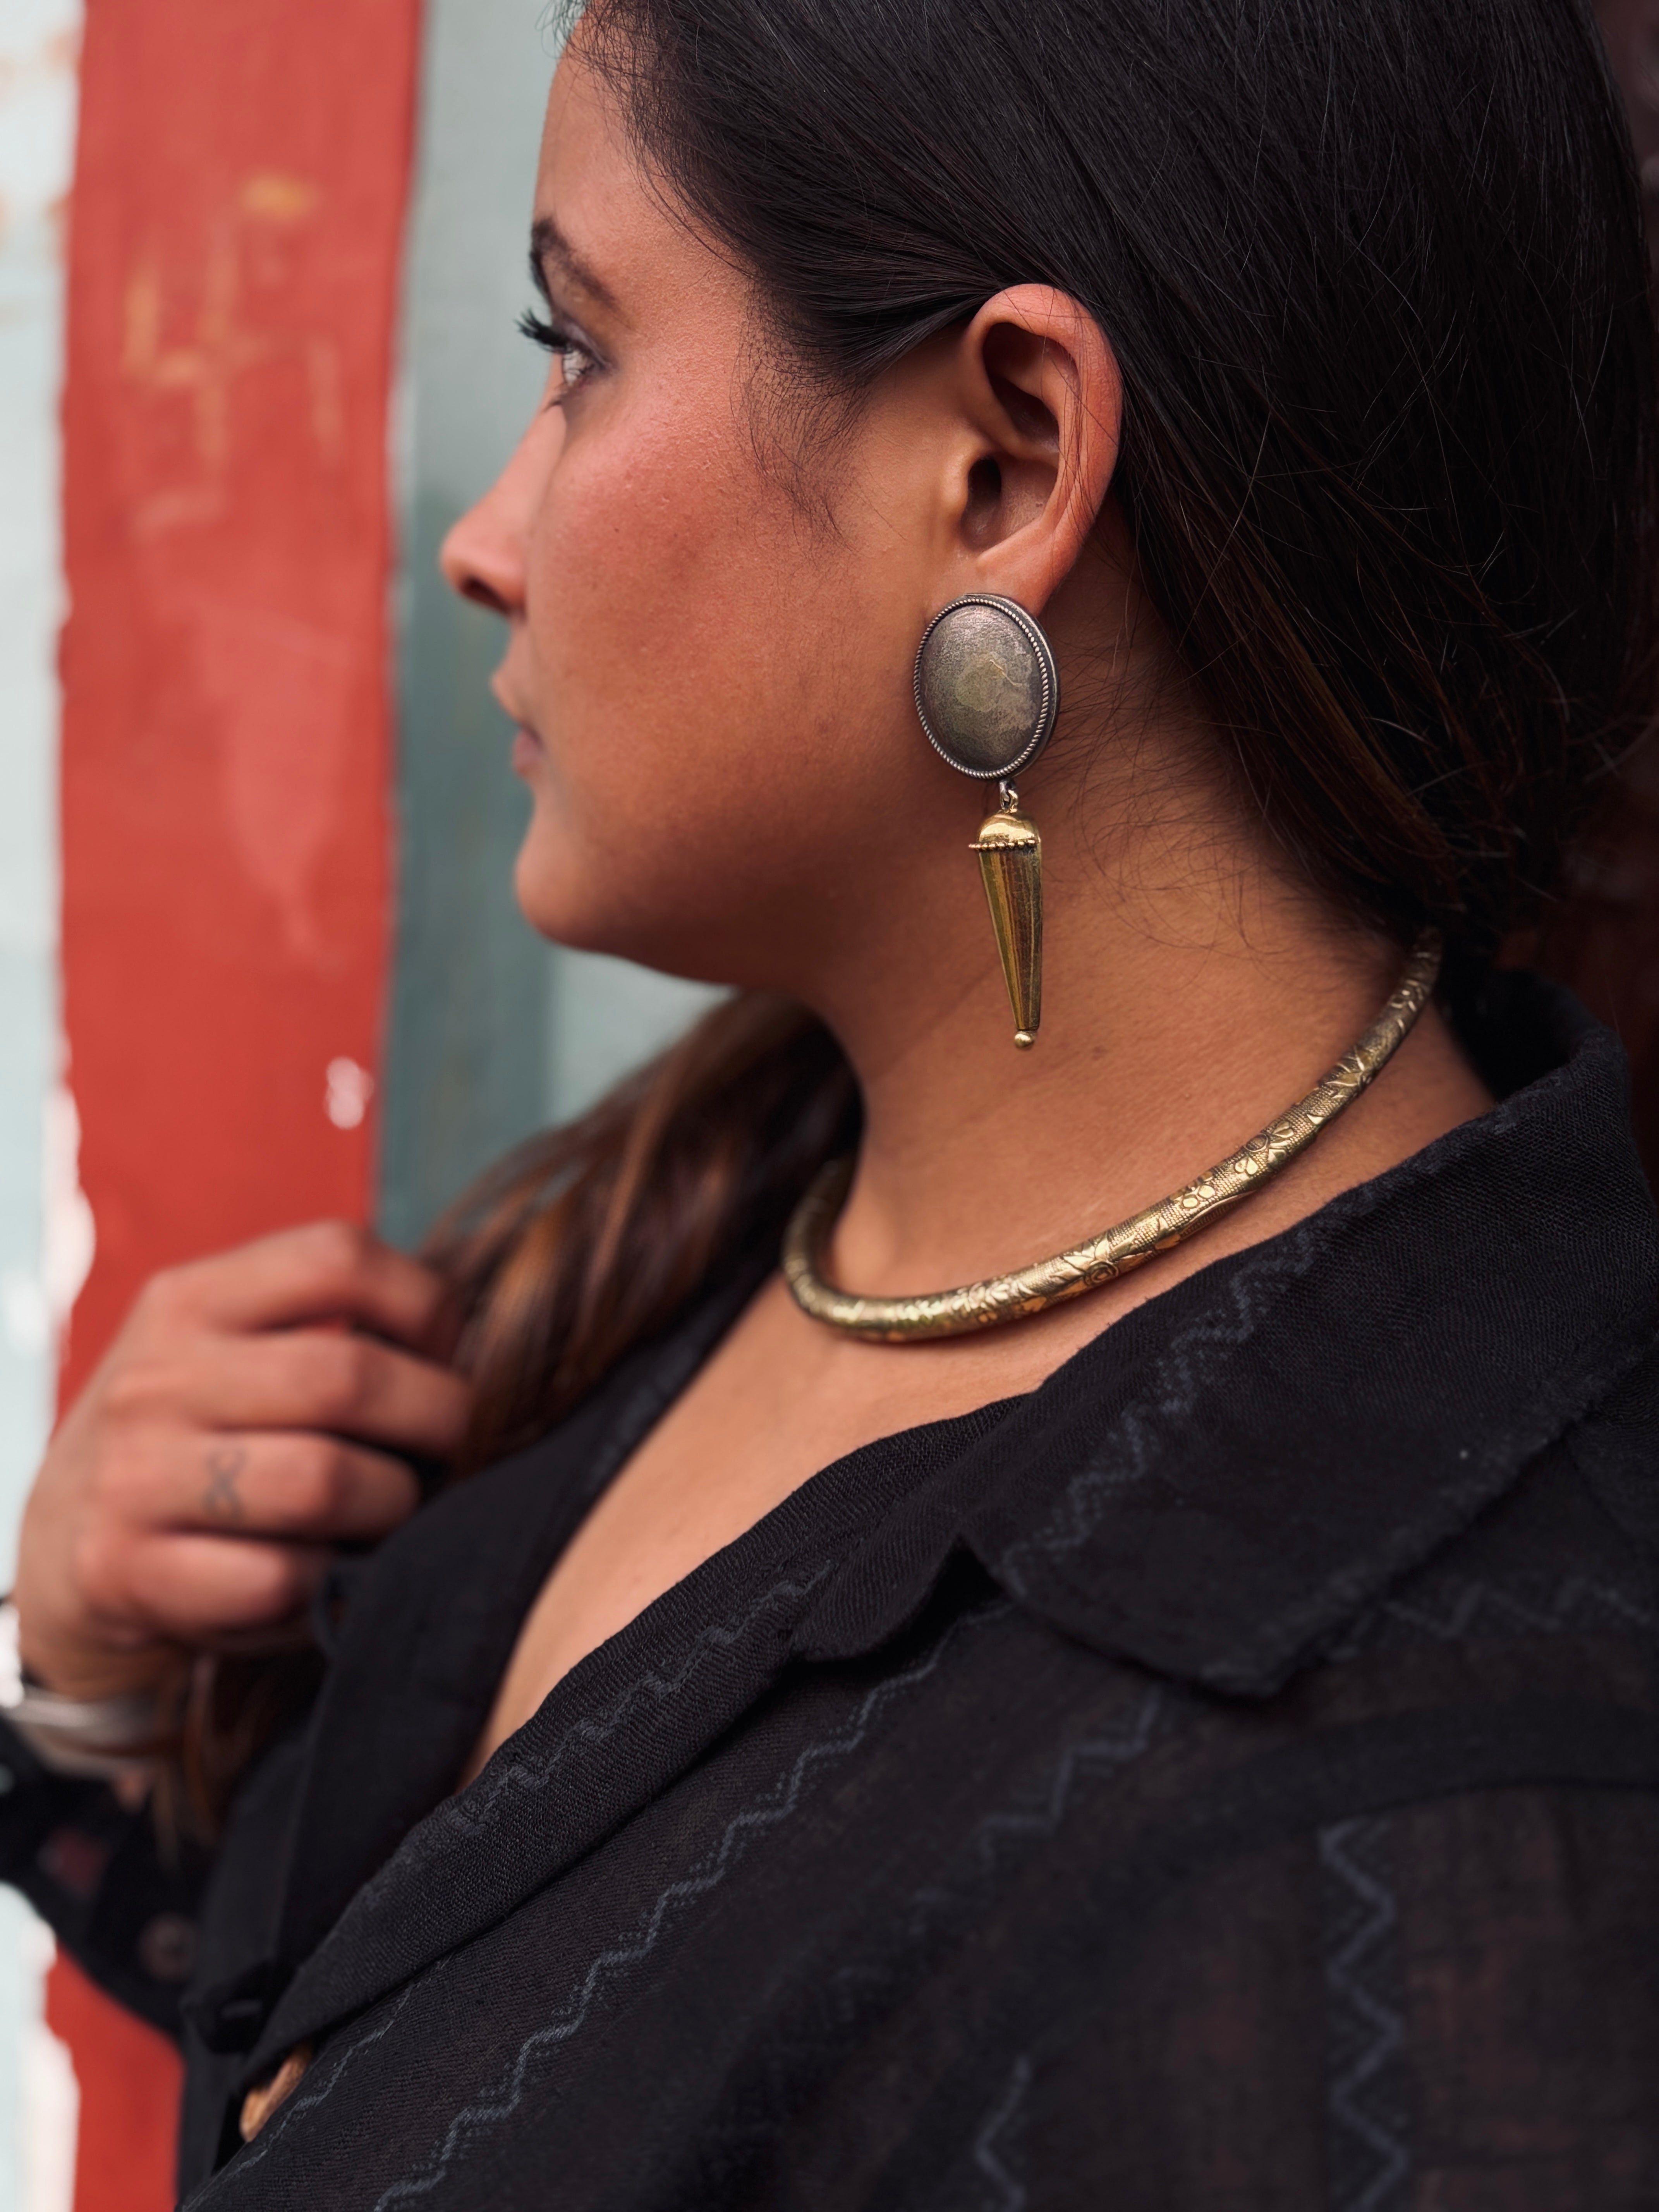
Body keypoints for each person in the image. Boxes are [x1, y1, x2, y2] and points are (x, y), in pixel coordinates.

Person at [5, 0, 1659, 2200]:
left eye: (577, 346)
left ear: (1003, 466)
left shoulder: (1414, 1841)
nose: (484, 537)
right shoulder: (732, 1227)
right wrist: (105, 1717)